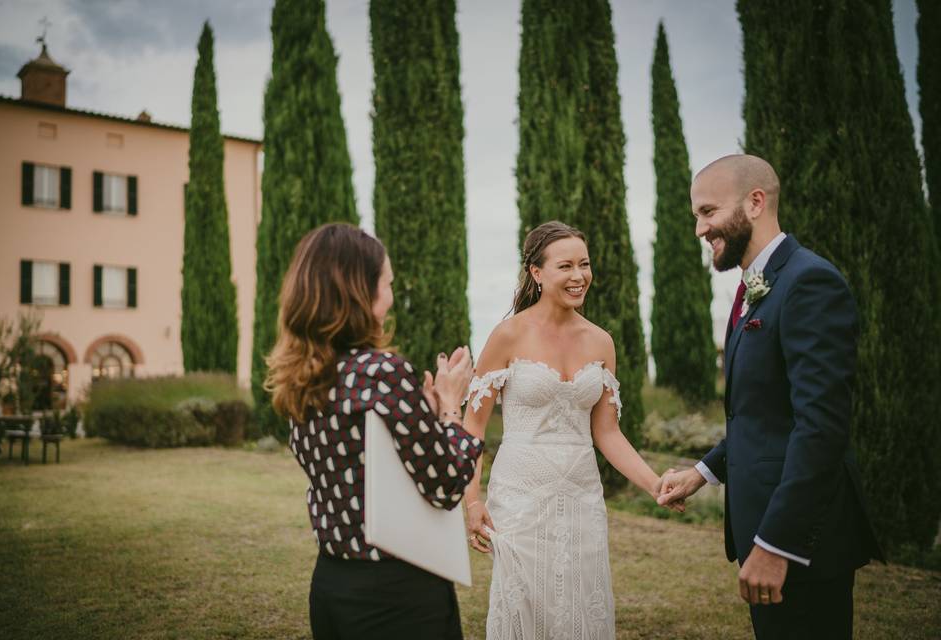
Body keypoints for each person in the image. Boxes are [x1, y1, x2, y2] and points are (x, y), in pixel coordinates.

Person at [657, 154, 883, 639]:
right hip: (766, 530)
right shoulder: (755, 288)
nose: (699, 228)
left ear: (755, 202)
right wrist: (701, 473)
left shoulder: (808, 283)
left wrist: (777, 544)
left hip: (803, 541)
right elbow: (758, 412)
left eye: (708, 212)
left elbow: (820, 428)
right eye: (697, 215)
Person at [462, 221, 682, 639]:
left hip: (581, 498)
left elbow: (608, 433)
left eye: (584, 264)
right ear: (537, 272)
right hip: (520, 498)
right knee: (523, 605)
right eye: (566, 266)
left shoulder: (601, 342)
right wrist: (473, 501)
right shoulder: (507, 335)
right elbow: (473, 427)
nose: (579, 276)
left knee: (581, 607)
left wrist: (655, 484)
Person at [265, 222, 484, 640]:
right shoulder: (381, 373)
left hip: (331, 583)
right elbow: (446, 484)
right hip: (397, 594)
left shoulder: (301, 379)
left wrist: (429, 414)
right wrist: (452, 406)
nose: (391, 298)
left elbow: (366, 464)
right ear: (360, 292)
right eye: (387, 285)